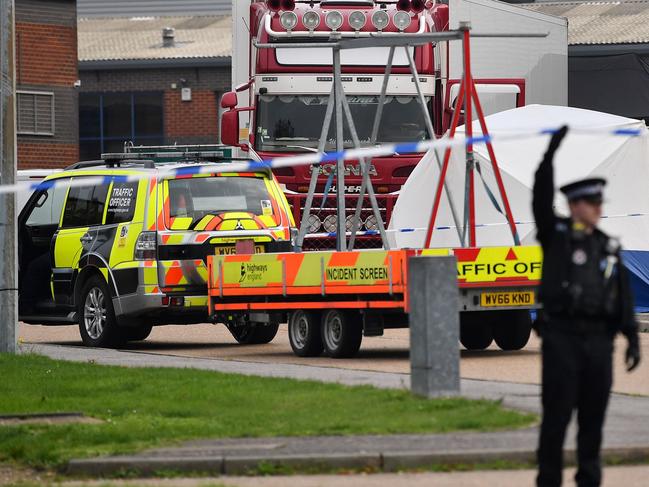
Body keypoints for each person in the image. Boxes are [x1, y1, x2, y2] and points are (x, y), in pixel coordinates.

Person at [533, 126, 641, 487]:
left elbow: (622, 295)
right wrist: (548, 157)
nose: (598, 209)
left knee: (593, 420)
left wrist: (632, 338)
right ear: (576, 206)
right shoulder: (558, 236)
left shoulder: (607, 245)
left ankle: (589, 479)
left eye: (599, 204)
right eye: (593, 204)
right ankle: (549, 479)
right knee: (557, 417)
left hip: (599, 343)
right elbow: (540, 200)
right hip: (562, 338)